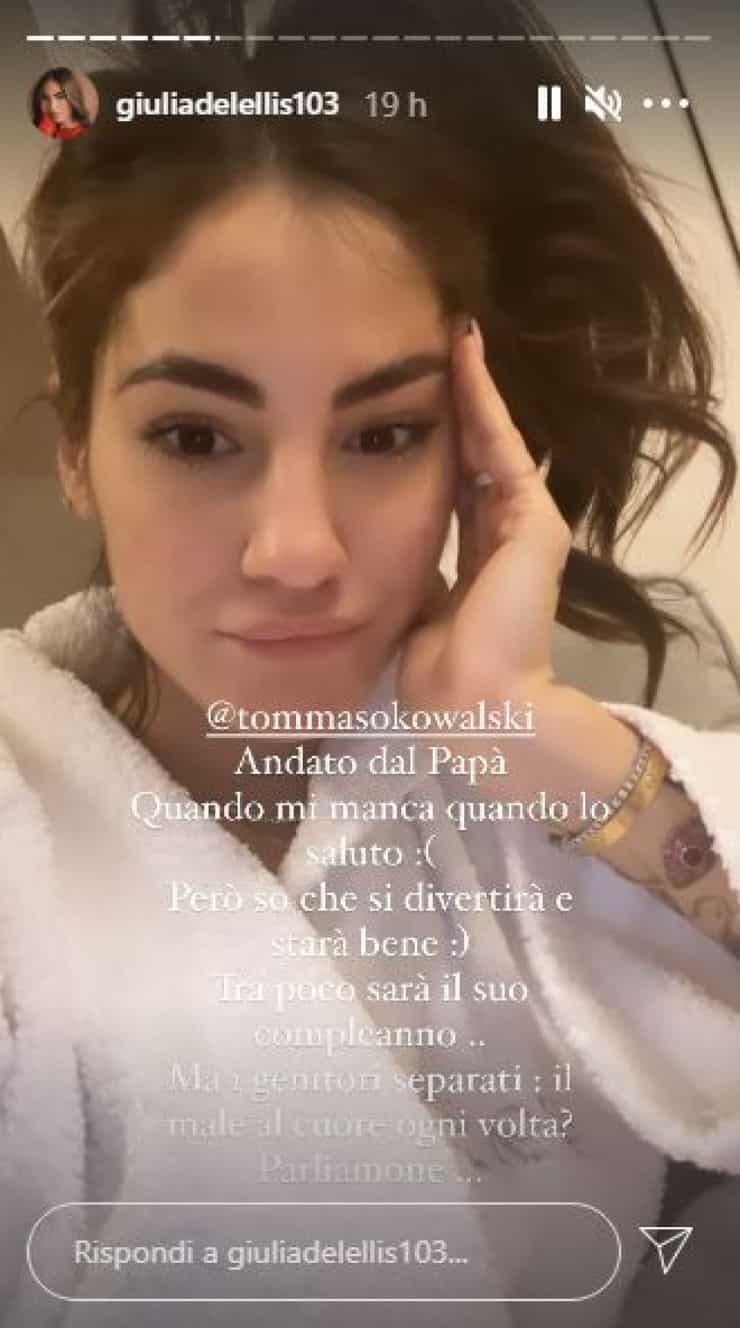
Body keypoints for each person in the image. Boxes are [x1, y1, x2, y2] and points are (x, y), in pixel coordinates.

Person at [1, 1, 738, 1325]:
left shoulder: (556, 781)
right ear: (76, 453)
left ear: (476, 451)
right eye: (195, 437)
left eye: (385, 433)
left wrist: (532, 732)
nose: (296, 549)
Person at [29, 67, 91, 140]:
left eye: (60, 96)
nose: (52, 107)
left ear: (74, 96)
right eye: (45, 98)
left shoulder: (85, 133)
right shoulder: (43, 126)